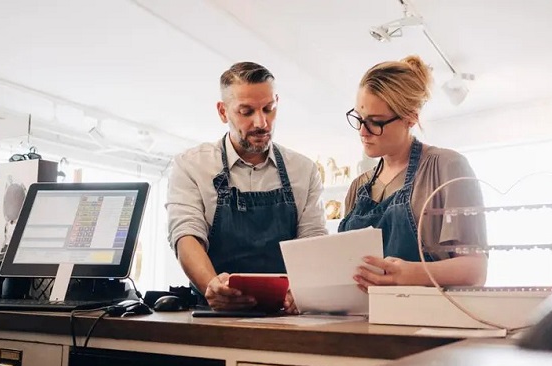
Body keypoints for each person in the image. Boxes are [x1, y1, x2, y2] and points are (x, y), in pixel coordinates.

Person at [166, 61, 327, 312]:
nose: (261, 122)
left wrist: (304, 288)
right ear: (223, 112)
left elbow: (313, 239)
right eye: (247, 111)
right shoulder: (190, 165)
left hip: (287, 315)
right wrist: (212, 286)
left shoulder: (304, 170)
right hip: (213, 314)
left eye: (268, 109)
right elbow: (186, 236)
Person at [339, 55, 488, 292]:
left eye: (375, 122)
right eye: (359, 118)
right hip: (362, 322)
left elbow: (475, 270)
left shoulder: (447, 168)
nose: (362, 131)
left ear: (410, 118)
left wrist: (410, 273)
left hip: (427, 322)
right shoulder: (358, 187)